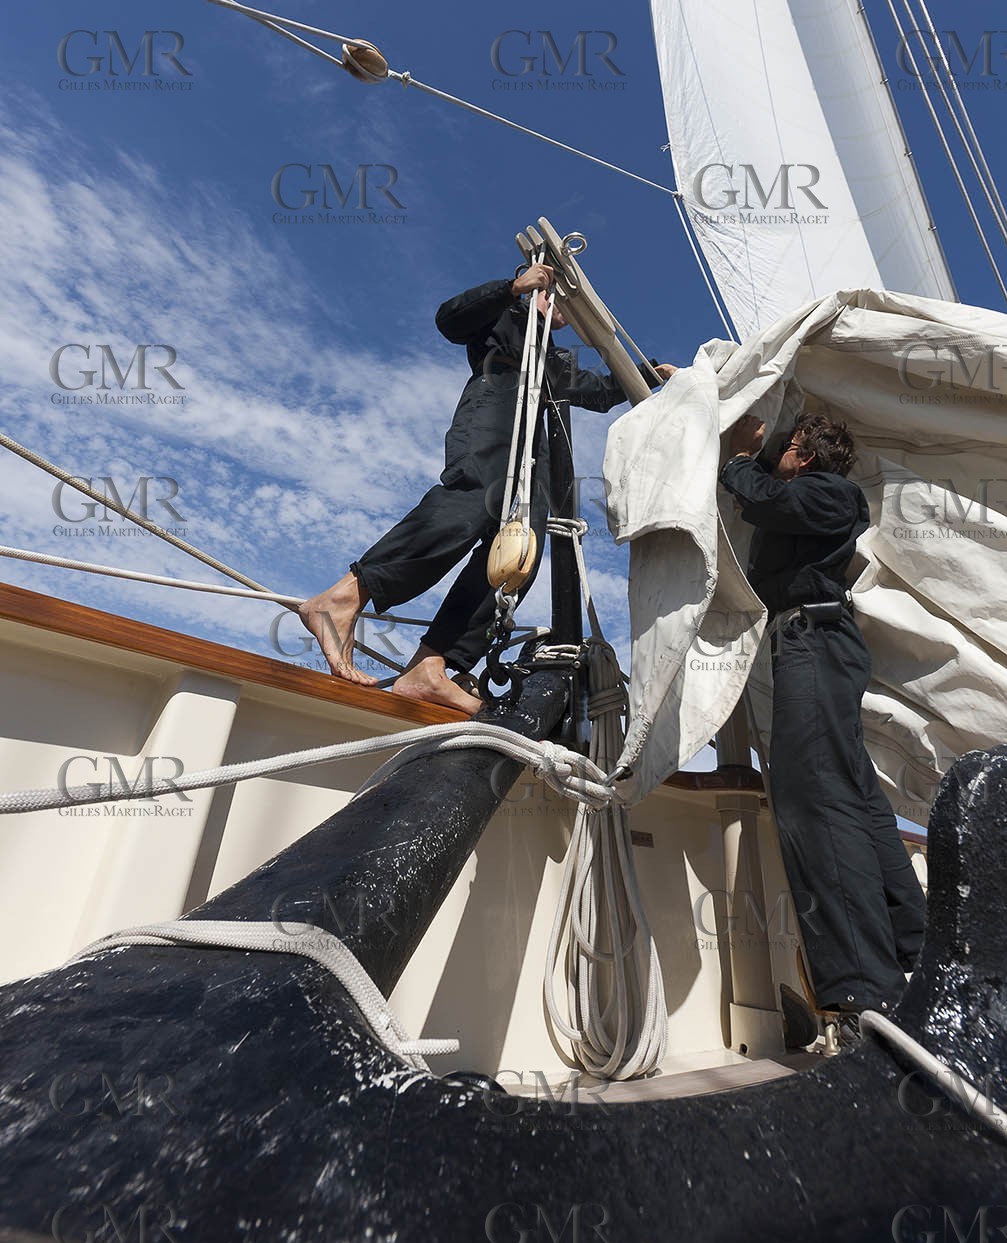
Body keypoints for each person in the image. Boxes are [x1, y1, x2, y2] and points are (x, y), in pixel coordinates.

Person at [301, 263, 676, 713]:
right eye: (553, 287)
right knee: (471, 503)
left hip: (532, 459)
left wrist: (651, 372)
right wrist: (512, 289)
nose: (562, 303)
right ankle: (345, 595)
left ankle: (431, 667)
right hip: (493, 417)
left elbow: (596, 393)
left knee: (520, 554)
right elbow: (450, 319)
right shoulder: (504, 318)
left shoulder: (555, 360)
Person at [719, 412, 926, 1028]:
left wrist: (733, 459)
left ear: (804, 456)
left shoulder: (829, 495)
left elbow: (763, 498)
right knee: (855, 797)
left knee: (815, 797)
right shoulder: (813, 494)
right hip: (816, 643)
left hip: (813, 640)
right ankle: (914, 948)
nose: (776, 451)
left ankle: (868, 988)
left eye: (786, 445)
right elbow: (768, 488)